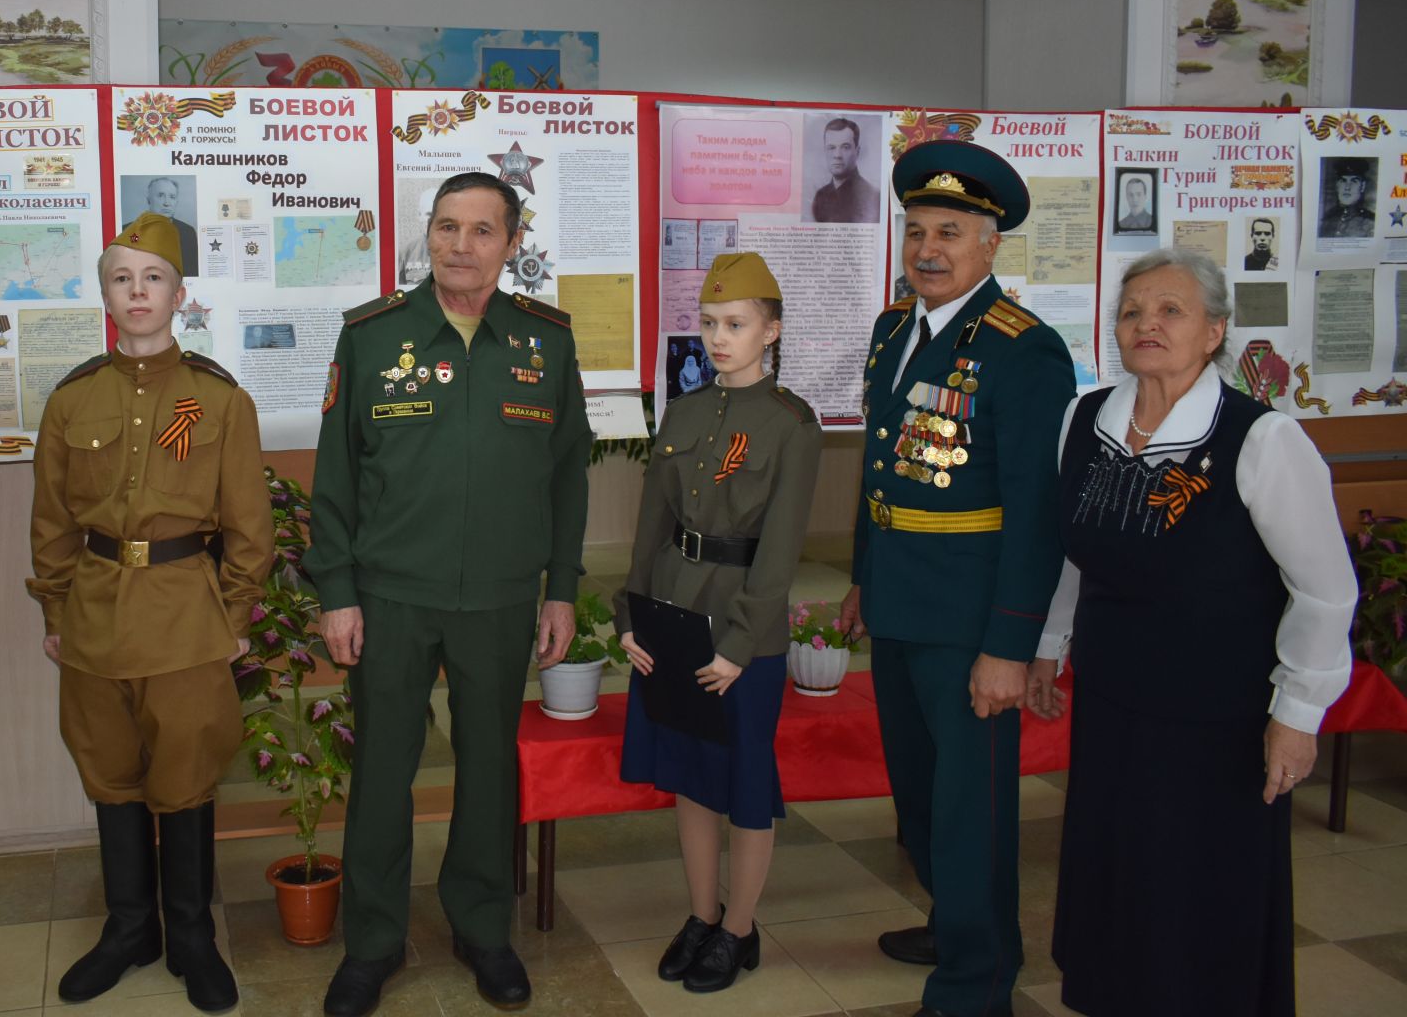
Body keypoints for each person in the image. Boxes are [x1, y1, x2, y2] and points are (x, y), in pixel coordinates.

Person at [1027, 247, 1355, 1017]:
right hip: (1114, 704)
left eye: (1170, 310)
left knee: (1202, 896)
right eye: (1133, 311)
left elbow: (1327, 591)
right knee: (1119, 878)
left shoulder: (1263, 440)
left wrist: (1297, 715)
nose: (1147, 324)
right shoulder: (1084, 420)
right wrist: (1050, 645)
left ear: (1214, 332)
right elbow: (1074, 553)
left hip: (1221, 719)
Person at [306, 171, 590, 1017]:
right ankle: (373, 943)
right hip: (391, 596)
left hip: (502, 598)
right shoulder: (373, 337)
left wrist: (562, 591)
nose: (459, 246)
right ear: (426, 235)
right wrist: (337, 591)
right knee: (385, 773)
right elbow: (335, 476)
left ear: (511, 245)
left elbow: (569, 474)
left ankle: (482, 930)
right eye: (445, 227)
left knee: (490, 770)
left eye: (480, 231)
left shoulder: (545, 342)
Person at [839, 140, 1075, 1017]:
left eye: (948, 233)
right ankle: (952, 923)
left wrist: (1011, 644)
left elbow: (1036, 510)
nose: (927, 250)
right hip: (900, 599)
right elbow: (880, 469)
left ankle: (979, 979)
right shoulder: (894, 329)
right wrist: (864, 576)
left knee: (971, 805)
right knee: (920, 793)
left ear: (990, 245)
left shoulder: (1024, 351)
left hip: (970, 618)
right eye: (916, 232)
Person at [27, 211, 271, 1014]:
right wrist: (54, 610)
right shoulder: (72, 399)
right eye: (123, 279)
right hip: (93, 615)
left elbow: (248, 525)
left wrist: (234, 616)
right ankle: (129, 928)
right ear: (104, 294)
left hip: (184, 618)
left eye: (153, 278)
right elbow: (53, 519)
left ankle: (191, 937)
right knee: (110, 773)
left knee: (187, 774)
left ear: (179, 294)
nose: (138, 292)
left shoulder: (217, 399)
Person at [615, 252, 821, 993]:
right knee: (690, 774)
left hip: (741, 626)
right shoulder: (686, 411)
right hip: (673, 609)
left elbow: (782, 550)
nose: (719, 338)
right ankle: (703, 915)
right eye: (709, 324)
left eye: (735, 324)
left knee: (743, 779)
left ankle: (740, 929)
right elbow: (652, 526)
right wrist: (631, 616)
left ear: (770, 330)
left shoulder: (792, 424)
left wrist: (739, 644)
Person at [809, 118, 880, 224]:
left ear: (857, 151)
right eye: (831, 148)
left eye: (845, 147)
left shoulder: (871, 197)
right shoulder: (820, 195)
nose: (837, 155)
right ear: (825, 151)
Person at [141, 177, 201, 275]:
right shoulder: (129, 231)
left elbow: (193, 273)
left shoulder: (188, 232)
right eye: (160, 196)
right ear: (149, 200)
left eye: (172, 197)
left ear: (176, 201)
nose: (167, 203)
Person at [1318, 159, 1376, 239]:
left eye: (1354, 181)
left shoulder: (1371, 222)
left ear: (1362, 186)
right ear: (1337, 185)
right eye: (1343, 181)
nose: (1347, 187)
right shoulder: (1327, 219)